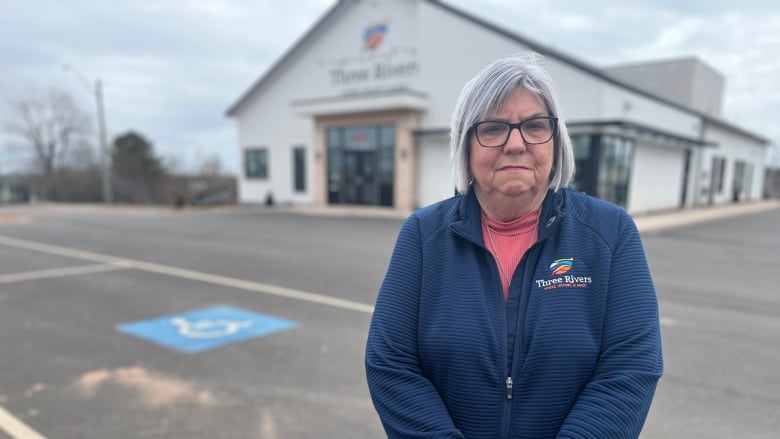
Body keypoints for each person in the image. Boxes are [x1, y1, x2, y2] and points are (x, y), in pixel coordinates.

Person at [365, 54, 663, 438]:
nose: (516, 144)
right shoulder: (423, 236)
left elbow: (630, 369)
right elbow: (391, 364)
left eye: (535, 125)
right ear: (466, 145)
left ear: (556, 140)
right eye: (493, 129)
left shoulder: (610, 234)